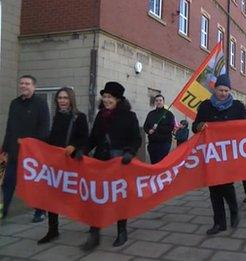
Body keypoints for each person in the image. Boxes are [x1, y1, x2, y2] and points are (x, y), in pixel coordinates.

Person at [81, 82, 142, 250]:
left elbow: (136, 138)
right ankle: (94, 233)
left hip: (120, 162)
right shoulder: (101, 115)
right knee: (96, 197)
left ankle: (122, 231)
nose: (106, 100)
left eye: (110, 97)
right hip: (101, 162)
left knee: (119, 198)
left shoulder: (129, 116)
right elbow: (93, 138)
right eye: (105, 96)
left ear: (118, 99)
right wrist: (83, 150)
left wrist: (129, 152)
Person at [192, 74, 246, 235]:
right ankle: (219, 223)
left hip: (230, 152)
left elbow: (245, 127)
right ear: (215, 89)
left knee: (226, 185)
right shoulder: (205, 106)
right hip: (211, 153)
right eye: (220, 90)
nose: (223, 93)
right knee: (214, 189)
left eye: (226, 90)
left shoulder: (237, 106)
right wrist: (199, 126)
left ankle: (234, 210)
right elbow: (195, 126)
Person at [38, 87, 89, 244]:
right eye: (60, 98)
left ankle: (94, 223)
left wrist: (74, 146)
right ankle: (53, 230)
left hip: (72, 163)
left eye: (65, 98)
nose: (62, 101)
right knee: (51, 197)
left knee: (81, 196)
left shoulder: (79, 117)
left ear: (71, 99)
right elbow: (52, 139)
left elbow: (85, 139)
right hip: (56, 164)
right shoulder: (56, 116)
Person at [1, 75, 50, 222]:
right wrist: (4, 149)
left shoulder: (40, 103)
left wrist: (32, 144)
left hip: (32, 154)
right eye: (21, 83)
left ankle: (40, 211)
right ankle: (3, 211)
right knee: (8, 183)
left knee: (34, 184)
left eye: (27, 83)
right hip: (14, 152)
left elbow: (44, 127)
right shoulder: (14, 103)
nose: (23, 86)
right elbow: (9, 128)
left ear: (33, 86)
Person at [143, 94, 175, 164]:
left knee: (161, 163)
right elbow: (145, 126)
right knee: (154, 163)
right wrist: (149, 131)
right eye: (156, 101)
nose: (158, 102)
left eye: (160, 100)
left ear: (163, 102)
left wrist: (158, 128)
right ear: (154, 102)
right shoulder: (151, 114)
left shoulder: (169, 114)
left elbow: (171, 127)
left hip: (164, 143)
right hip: (152, 143)